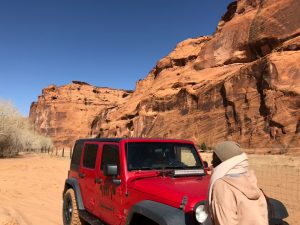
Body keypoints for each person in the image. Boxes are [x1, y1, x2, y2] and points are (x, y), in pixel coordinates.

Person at [207, 141, 268, 225]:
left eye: (214, 159)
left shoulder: (222, 185)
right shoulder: (251, 179)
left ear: (220, 162)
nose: (212, 162)